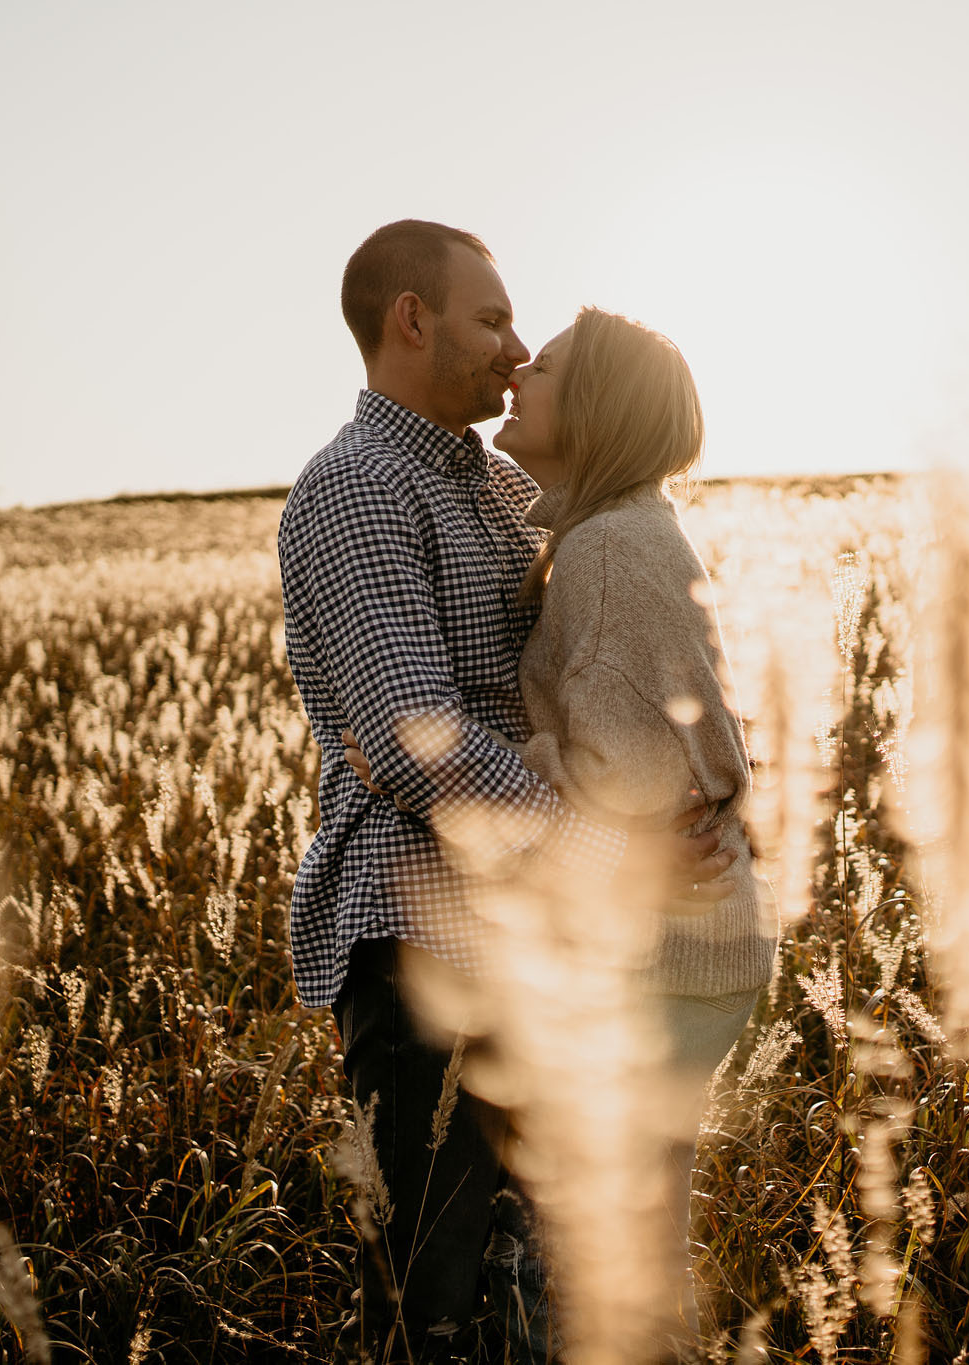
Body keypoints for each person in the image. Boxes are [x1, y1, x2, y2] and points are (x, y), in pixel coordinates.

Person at [276, 220, 733, 1364]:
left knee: (544, 1303)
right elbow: (414, 741)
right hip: (424, 948)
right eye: (490, 320)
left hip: (542, 946)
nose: (514, 345)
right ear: (409, 320)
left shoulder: (495, 485)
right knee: (438, 1308)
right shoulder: (357, 490)